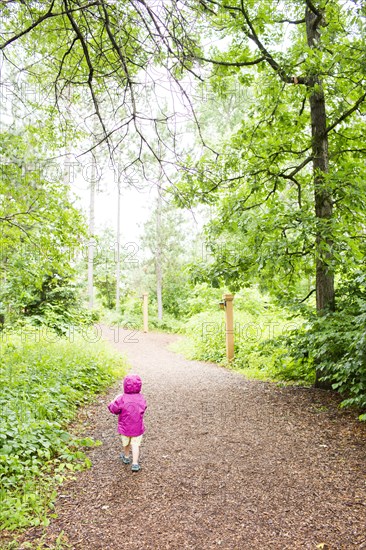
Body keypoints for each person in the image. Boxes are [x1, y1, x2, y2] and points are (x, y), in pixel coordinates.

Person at [108, 374, 147, 472]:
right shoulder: (141, 398)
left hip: (124, 427)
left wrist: (113, 400)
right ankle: (135, 463)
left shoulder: (121, 398)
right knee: (135, 445)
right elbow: (144, 407)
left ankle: (126, 457)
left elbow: (114, 409)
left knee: (126, 443)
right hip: (137, 428)